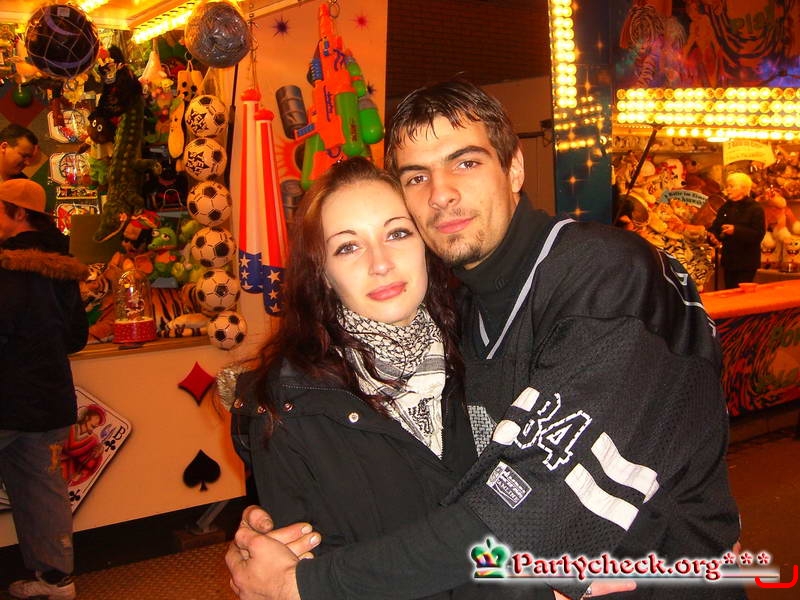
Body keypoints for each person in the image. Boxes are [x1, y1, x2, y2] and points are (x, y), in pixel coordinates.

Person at [227, 80, 743, 600]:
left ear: (514, 168)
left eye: (466, 162)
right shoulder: (462, 322)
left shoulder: (606, 276)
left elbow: (527, 505)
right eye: (417, 176)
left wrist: (304, 584)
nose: (441, 193)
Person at [230, 156, 491, 599]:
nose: (381, 263)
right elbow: (299, 577)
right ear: (323, 274)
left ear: (427, 244)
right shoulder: (285, 408)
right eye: (348, 247)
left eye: (397, 233)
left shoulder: (488, 352)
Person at [0, 178, 89, 600]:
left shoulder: (5, 267)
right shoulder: (64, 268)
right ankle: (56, 580)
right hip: (50, 397)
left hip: (5, 397)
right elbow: (76, 337)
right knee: (44, 491)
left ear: (18, 214)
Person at [708, 172, 765, 289]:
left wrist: (736, 231)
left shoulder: (755, 208)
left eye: (731, 186)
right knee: (729, 292)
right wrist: (713, 235)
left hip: (746, 262)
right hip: (729, 260)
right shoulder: (725, 207)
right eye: (727, 186)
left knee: (741, 295)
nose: (727, 189)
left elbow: (758, 235)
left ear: (743, 188)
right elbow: (716, 226)